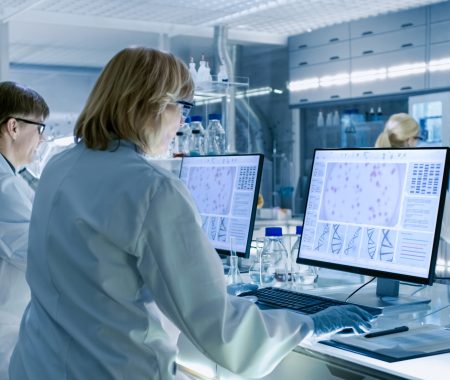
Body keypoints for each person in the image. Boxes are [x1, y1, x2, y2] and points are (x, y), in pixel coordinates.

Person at [10, 47, 374, 380]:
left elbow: (98, 276)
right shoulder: (152, 188)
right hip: (111, 369)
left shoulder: (61, 165)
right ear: (153, 104)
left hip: (39, 363)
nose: (183, 123)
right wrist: (309, 324)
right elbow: (217, 326)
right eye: (183, 108)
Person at [0, 81, 49, 380]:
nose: (41, 140)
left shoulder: (13, 179)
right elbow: (41, 255)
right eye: (39, 128)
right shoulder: (4, 188)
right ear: (14, 127)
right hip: (7, 327)